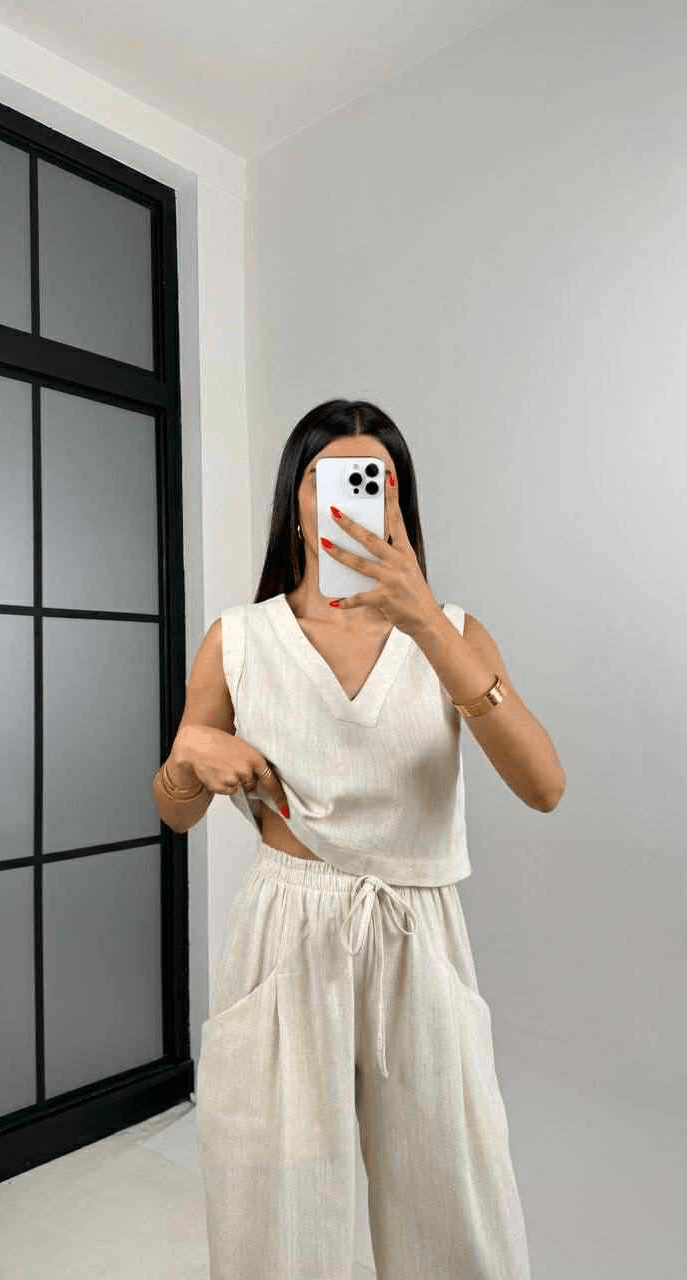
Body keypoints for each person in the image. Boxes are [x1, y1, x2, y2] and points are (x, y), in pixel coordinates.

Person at [153, 399, 565, 1279]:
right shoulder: (240, 639)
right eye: (324, 476)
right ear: (294, 503)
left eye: (372, 478)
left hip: (419, 937)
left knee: (454, 1206)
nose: (347, 494)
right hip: (284, 935)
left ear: (399, 502)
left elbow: (543, 786)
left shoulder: (453, 633)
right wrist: (189, 758)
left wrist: (425, 623)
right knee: (276, 1206)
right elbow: (176, 810)